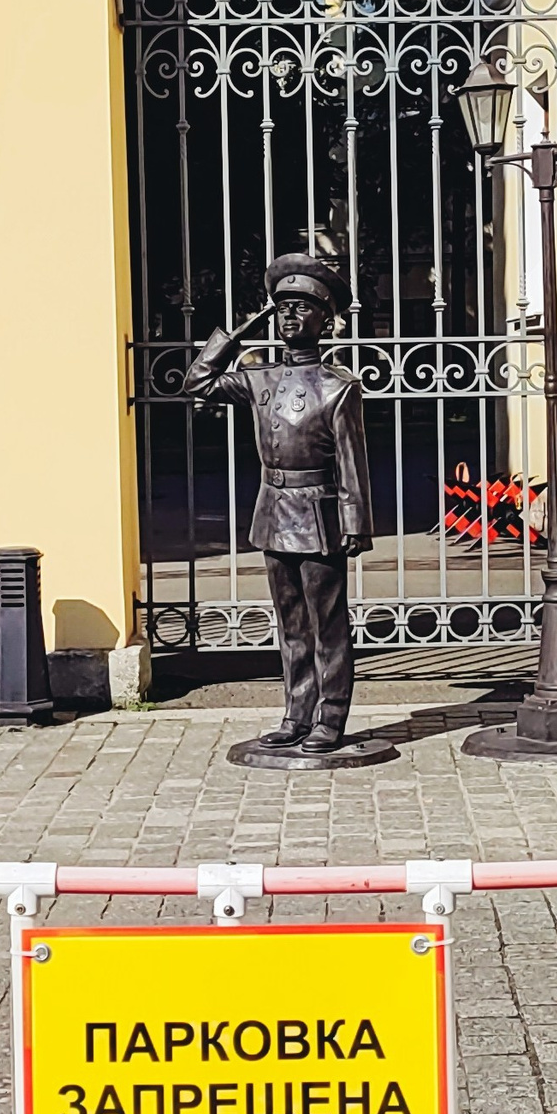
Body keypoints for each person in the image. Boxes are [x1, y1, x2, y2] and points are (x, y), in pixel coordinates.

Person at [183, 249, 390, 764]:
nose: (291, 317)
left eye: (303, 308)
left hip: (318, 515)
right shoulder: (260, 379)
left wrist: (355, 522)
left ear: (326, 319)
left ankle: (330, 717)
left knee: (328, 624)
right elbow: (197, 383)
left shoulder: (338, 388)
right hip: (273, 511)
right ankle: (296, 714)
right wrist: (232, 336)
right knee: (291, 623)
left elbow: (351, 461)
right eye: (283, 308)